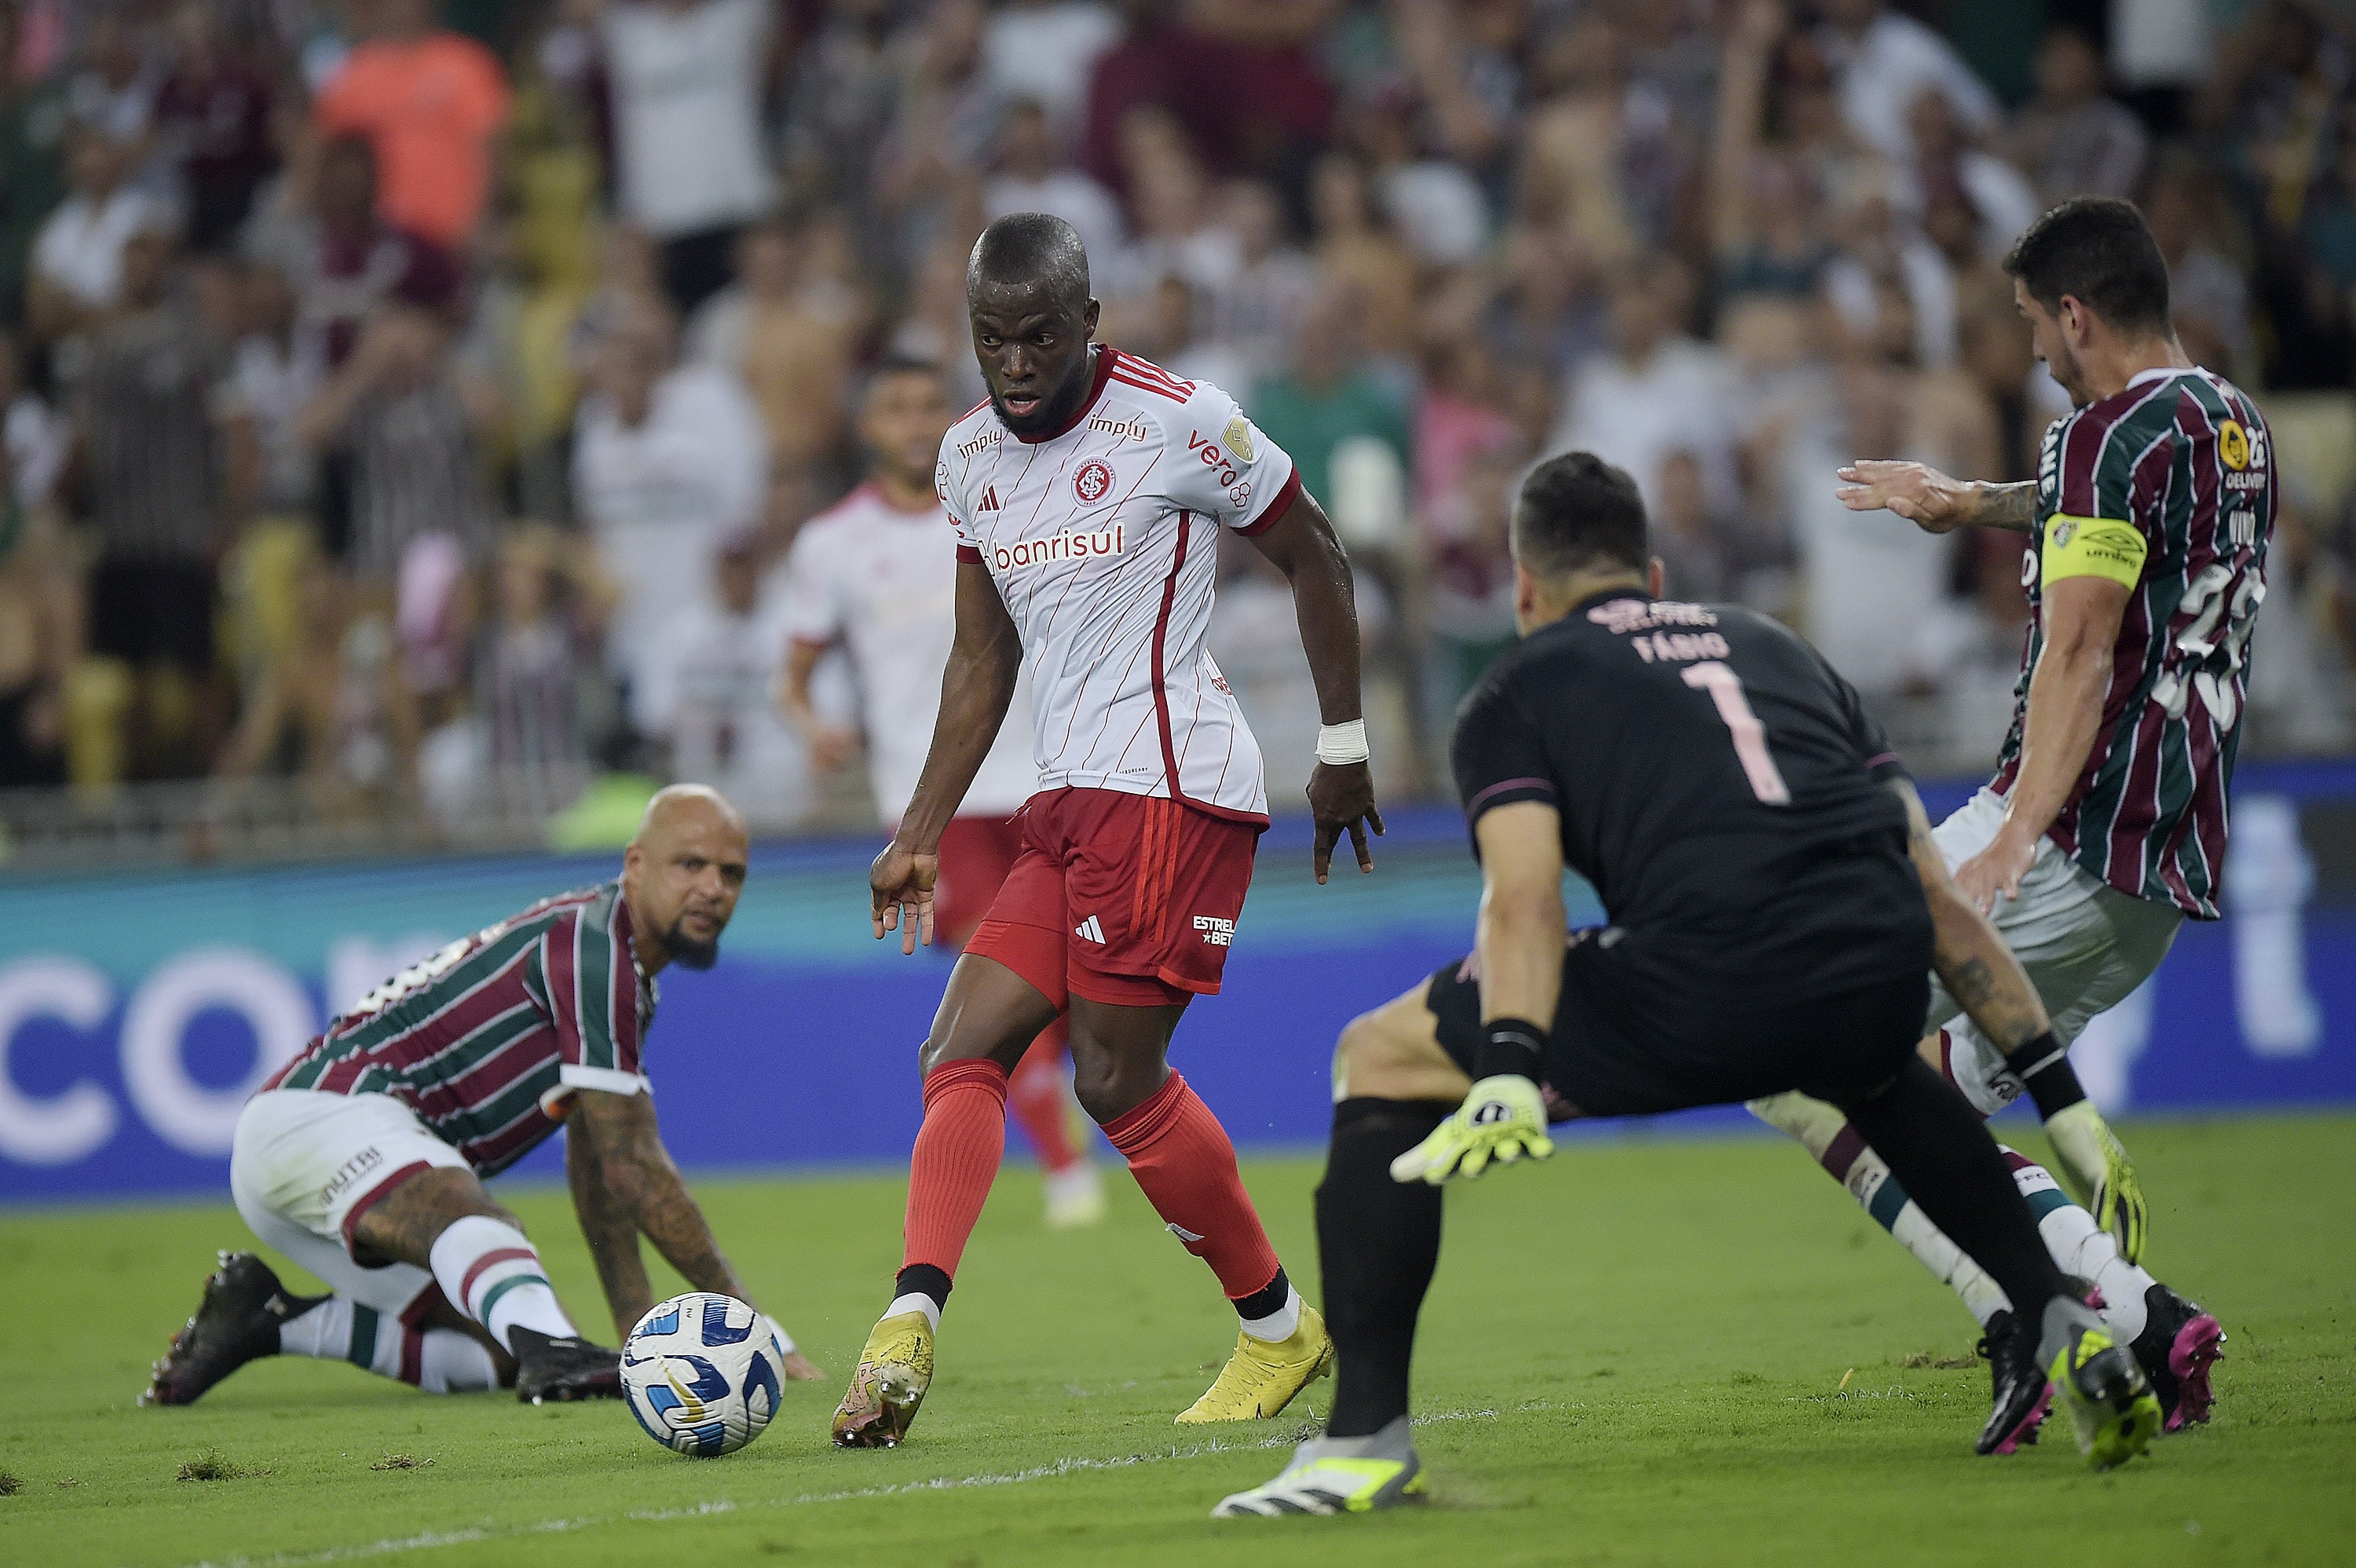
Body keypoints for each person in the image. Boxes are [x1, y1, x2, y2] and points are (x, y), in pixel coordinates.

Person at [1213, 452, 2163, 1518]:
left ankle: (1363, 1445)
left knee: (1378, 1053)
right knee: (1876, 1071)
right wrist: (2058, 1092)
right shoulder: (1780, 647)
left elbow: (1523, 900)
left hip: (1702, 982)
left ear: (1526, 591)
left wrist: (1514, 1065)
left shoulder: (1517, 690)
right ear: (1655, 577)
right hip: (1872, 970)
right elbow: (1934, 896)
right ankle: (2063, 1320)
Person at [829, 213, 1382, 1447]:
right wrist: (918, 829)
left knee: (1112, 1075)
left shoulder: (1179, 419)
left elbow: (1316, 553)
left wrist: (1340, 748)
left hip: (1173, 786)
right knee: (956, 1049)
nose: (1014, 364)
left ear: (1089, 322)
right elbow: (983, 660)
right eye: (991, 339)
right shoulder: (968, 457)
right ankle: (910, 1319)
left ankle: (1276, 1327)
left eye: (1038, 337)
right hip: (1065, 798)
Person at [1749, 196, 2252, 1435]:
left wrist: (2017, 834)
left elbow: (2077, 654)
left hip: (2067, 837)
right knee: (1915, 1096)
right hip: (2165, 862)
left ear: (2076, 314)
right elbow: (2122, 519)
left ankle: (2053, 1316)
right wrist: (1968, 502)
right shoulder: (2227, 421)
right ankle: (2127, 1321)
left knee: (1778, 1036)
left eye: (2035, 321)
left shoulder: (2096, 433)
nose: (2031, 345)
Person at [143, 786, 823, 1406]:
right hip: (322, 1117)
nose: (713, 888)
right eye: (691, 864)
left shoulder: (621, 975)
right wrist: (758, 1329)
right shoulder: (595, 947)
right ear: (636, 864)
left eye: (730, 874)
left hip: (316, 1163)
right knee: (485, 1234)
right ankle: (555, 1353)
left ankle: (268, 1321)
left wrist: (633, 1335)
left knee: (488, 1352)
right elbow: (636, 1166)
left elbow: (600, 1173)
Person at [779, 357, 1104, 1230]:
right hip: (935, 800)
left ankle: (1067, 1115)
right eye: (896, 405)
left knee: (1067, 971)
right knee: (1011, 971)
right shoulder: (832, 543)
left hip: (1047, 772)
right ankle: (1069, 1167)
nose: (917, 420)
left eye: (932, 404)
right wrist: (814, 724)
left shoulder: (1009, 500)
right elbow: (797, 669)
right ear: (868, 427)